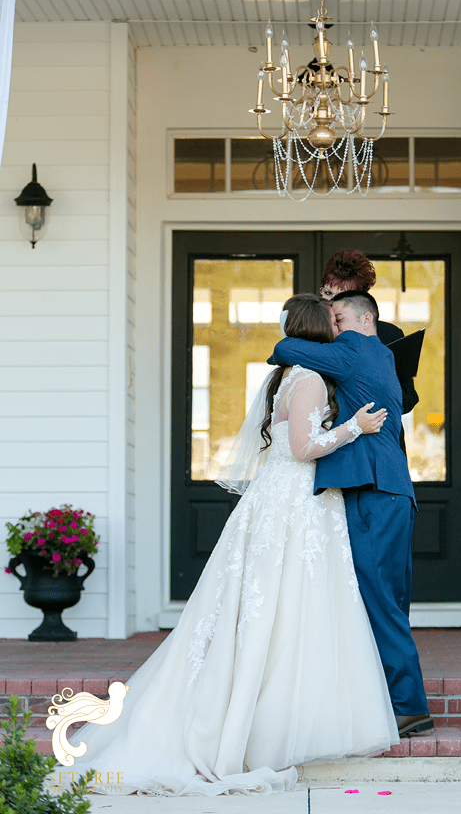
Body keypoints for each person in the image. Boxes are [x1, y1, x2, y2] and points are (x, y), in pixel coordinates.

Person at [54, 294, 399, 798]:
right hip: (293, 503)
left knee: (285, 609)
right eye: (332, 320)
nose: (339, 327)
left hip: (288, 501)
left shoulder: (287, 375)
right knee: (283, 609)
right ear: (316, 329)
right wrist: (354, 428)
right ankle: (258, 727)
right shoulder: (308, 379)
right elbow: (304, 449)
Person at [269, 290, 433, 739]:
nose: (333, 328)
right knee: (390, 599)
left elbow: (284, 347)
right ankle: (392, 697)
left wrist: (310, 335)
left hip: (372, 491)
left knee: (378, 599)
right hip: (392, 491)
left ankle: (408, 707)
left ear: (365, 320)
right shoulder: (382, 358)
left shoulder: (355, 349)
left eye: (338, 318)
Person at [319, 248, 419, 415]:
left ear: (360, 299)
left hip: (382, 434)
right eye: (327, 293)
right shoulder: (315, 333)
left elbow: (408, 399)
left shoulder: (389, 335)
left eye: (342, 296)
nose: (331, 302)